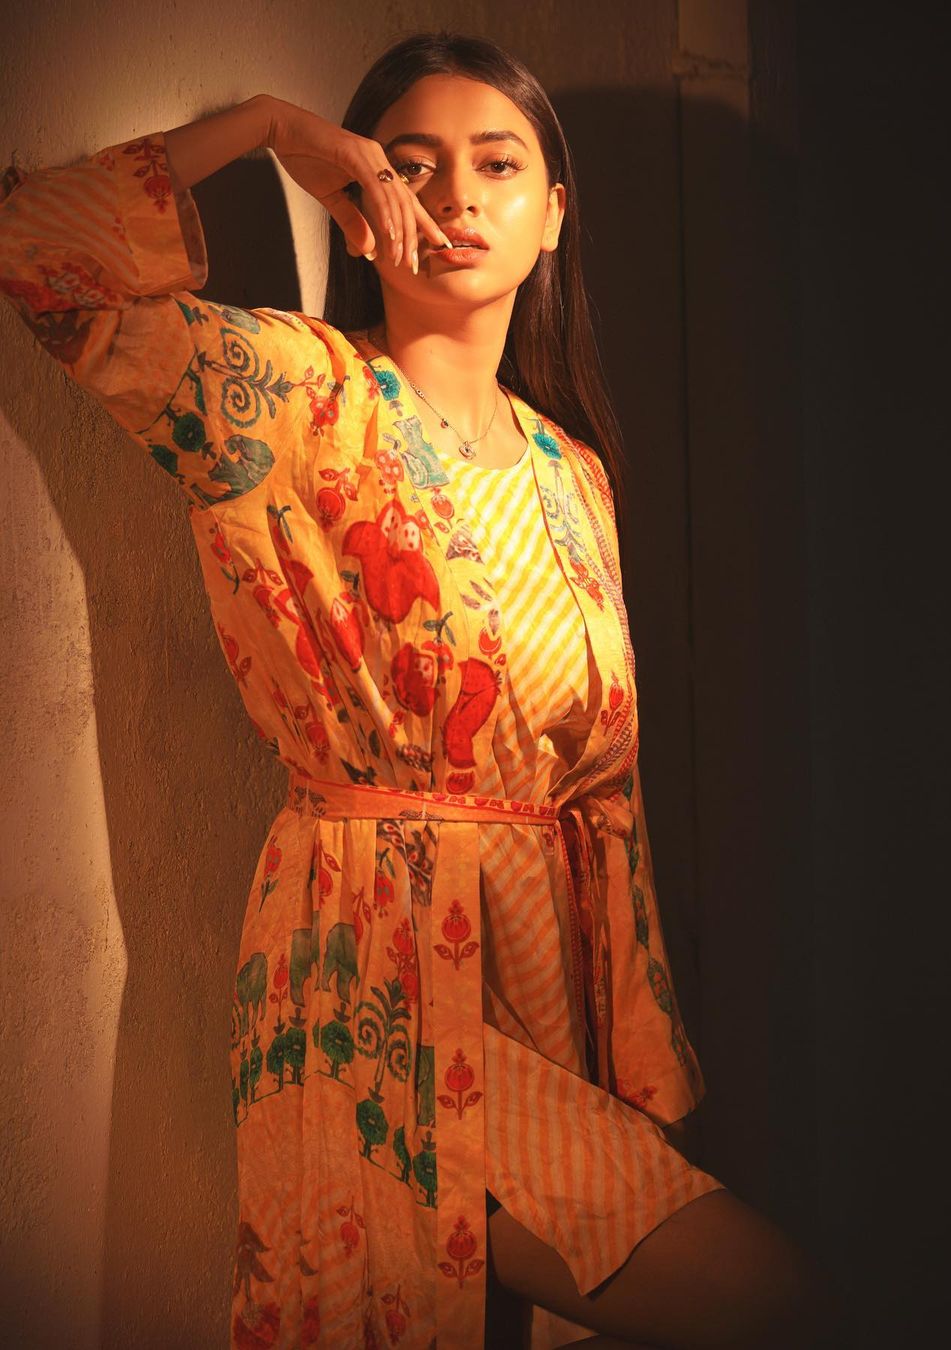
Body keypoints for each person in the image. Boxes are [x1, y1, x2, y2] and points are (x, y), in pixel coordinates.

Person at [0, 29, 835, 1350]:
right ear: (359, 194)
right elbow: (42, 251)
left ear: (554, 214)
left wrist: (639, 1067)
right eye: (410, 164)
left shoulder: (570, 470)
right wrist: (270, 125)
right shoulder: (295, 394)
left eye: (497, 166)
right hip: (377, 972)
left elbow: (607, 797)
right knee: (766, 1294)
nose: (453, 198)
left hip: (546, 972)